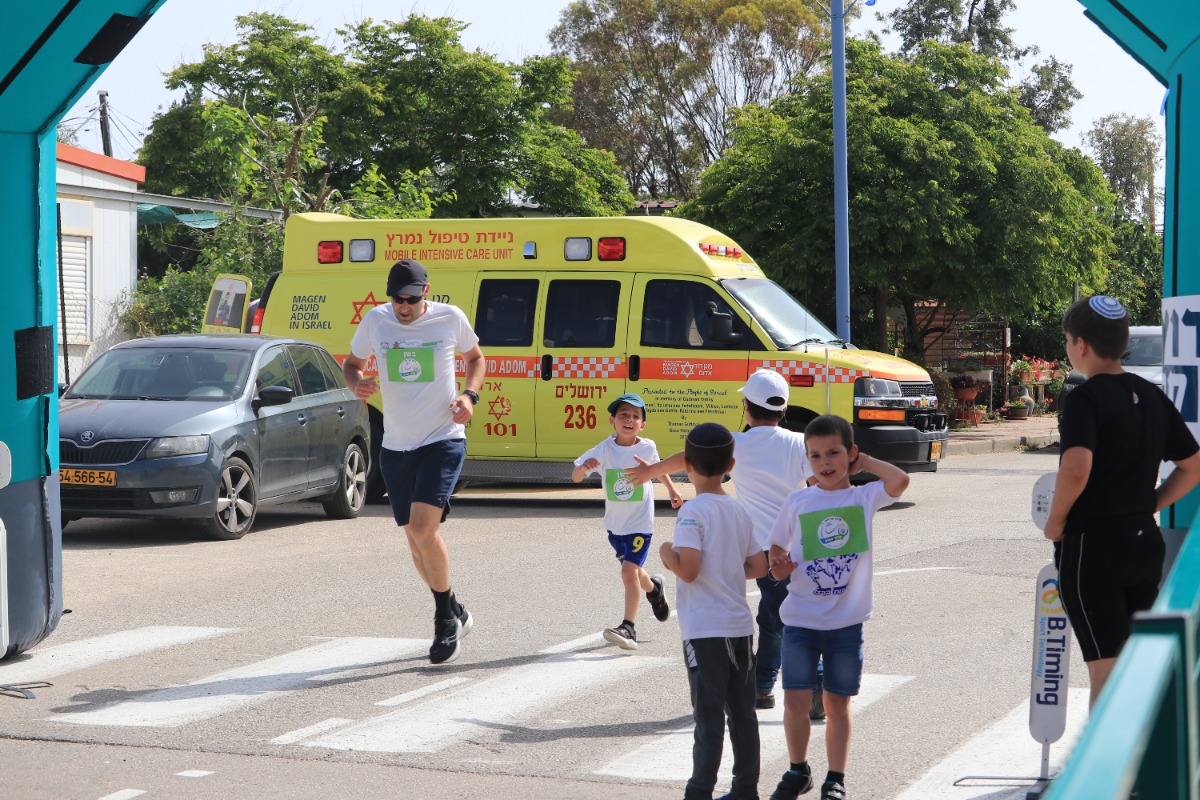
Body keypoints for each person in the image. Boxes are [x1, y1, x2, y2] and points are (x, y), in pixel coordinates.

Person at [625, 369, 819, 716]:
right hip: (798, 545)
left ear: (747, 407)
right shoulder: (797, 441)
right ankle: (768, 686)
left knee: (778, 618)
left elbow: (689, 455)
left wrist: (648, 472)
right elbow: (820, 477)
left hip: (761, 548)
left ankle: (796, 685)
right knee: (787, 614)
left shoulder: (736, 444)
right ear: (784, 408)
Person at [1045, 295, 1200, 707]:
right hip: (1143, 545)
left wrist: (1055, 522)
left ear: (1080, 344)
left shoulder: (1084, 398)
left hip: (1093, 548)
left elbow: (1076, 468)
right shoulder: (1152, 397)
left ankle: (1105, 768)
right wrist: (1150, 503)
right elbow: (1193, 466)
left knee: (1106, 672)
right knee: (1132, 667)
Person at [343, 258, 486, 665]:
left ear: (426, 292)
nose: (403, 307)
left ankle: (443, 620)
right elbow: (351, 365)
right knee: (414, 539)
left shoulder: (449, 318)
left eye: (411, 298)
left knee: (425, 529)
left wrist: (468, 397)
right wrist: (358, 384)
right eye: (397, 299)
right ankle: (455, 607)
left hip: (442, 439)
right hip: (396, 446)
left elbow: (476, 359)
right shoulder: (376, 320)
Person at [766, 414, 910, 800]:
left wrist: (867, 465)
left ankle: (836, 778)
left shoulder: (863, 497)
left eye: (834, 453)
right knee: (795, 699)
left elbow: (899, 482)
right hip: (800, 621)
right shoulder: (798, 500)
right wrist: (778, 566)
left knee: (836, 703)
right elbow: (776, 548)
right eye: (815, 456)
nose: (825, 463)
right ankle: (798, 770)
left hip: (846, 624)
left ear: (851, 454)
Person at [659, 422, 768, 800]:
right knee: (742, 712)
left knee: (707, 714)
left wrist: (665, 553)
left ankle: (700, 789)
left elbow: (688, 569)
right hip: (739, 626)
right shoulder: (738, 510)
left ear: (685, 465)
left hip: (705, 629)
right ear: (731, 464)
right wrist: (726, 564)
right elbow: (758, 567)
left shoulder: (692, 513)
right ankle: (745, 789)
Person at [573, 393, 683, 650]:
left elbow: (659, 468)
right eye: (624, 415)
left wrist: (672, 490)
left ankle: (628, 627)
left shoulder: (647, 447)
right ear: (613, 420)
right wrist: (583, 468)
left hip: (640, 524)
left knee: (627, 572)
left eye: (636, 416)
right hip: (615, 525)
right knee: (634, 573)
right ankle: (654, 589)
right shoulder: (603, 449)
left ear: (642, 425)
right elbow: (576, 476)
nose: (629, 420)